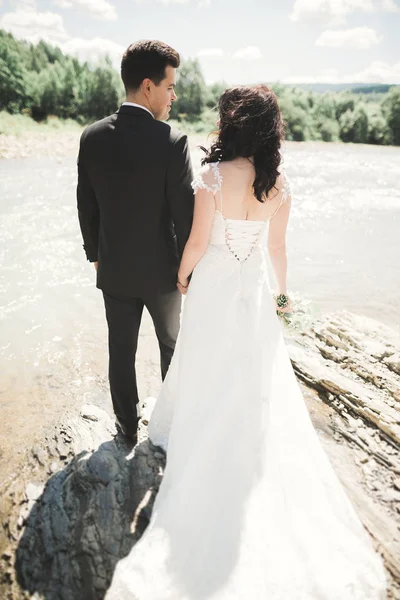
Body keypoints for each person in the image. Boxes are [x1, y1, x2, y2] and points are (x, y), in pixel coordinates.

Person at [105, 85, 386, 599]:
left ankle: (199, 431)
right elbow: (277, 250)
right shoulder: (279, 185)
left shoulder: (211, 176)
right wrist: (282, 298)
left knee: (205, 360)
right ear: (271, 128)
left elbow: (194, 241)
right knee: (251, 367)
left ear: (230, 124)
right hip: (254, 286)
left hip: (214, 281)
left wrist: (185, 277)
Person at [77, 40, 194, 445]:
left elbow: (85, 206)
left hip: (114, 269)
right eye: (170, 86)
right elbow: (186, 216)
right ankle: (172, 426)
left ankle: (126, 427)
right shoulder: (172, 142)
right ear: (148, 86)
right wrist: (187, 270)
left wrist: (96, 256)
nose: (174, 95)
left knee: (120, 351)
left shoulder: (91, 136)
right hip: (164, 275)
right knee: (172, 347)